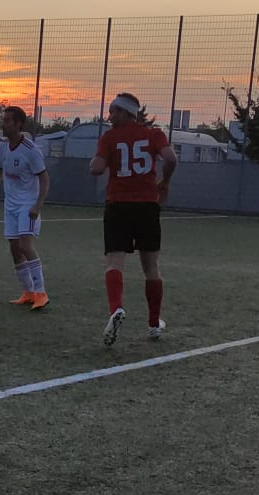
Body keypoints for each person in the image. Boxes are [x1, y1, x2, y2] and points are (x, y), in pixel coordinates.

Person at [89, 92, 177, 345]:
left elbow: (96, 169)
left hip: (118, 205)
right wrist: (165, 183)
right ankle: (153, 324)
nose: (109, 116)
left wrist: (97, 160)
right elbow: (170, 158)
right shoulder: (154, 134)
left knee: (115, 261)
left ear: (127, 113)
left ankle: (116, 308)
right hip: (147, 206)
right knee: (151, 267)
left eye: (114, 111)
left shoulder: (109, 138)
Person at [0, 106, 51, 310]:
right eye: (4, 120)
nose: (3, 124)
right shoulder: (3, 148)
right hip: (10, 205)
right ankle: (28, 292)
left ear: (19, 124)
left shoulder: (31, 150)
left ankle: (41, 293)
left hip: (27, 205)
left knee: (25, 245)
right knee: (13, 247)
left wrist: (38, 204)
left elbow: (45, 179)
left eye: (8, 120)